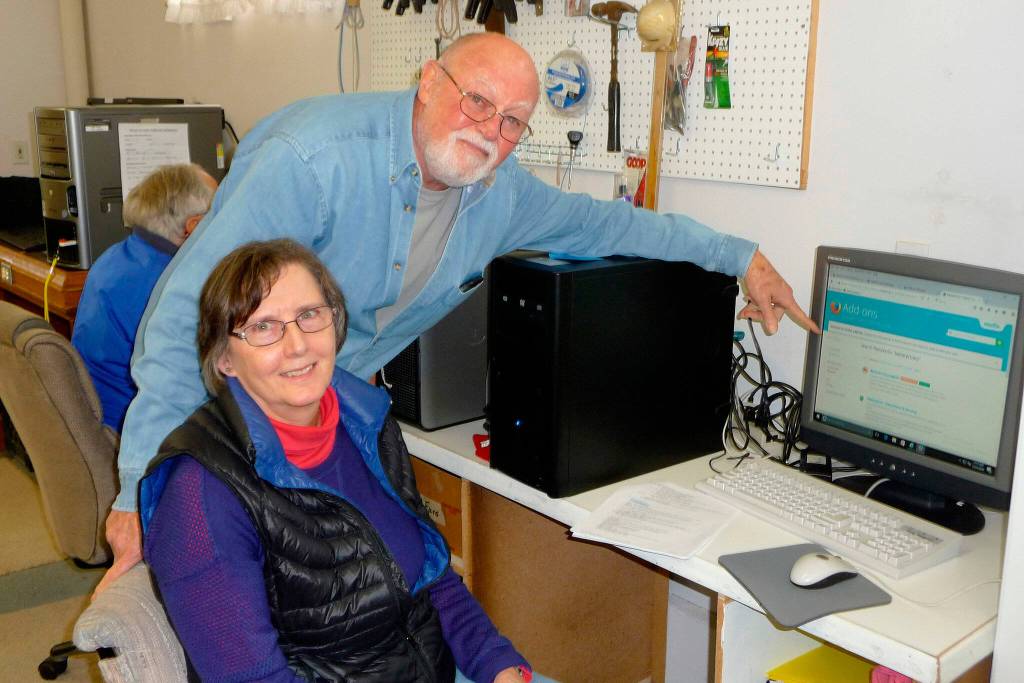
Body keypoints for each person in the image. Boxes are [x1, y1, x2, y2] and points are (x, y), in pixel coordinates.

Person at [101, 31, 820, 594]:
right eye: (477, 101)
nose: (491, 131)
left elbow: (611, 227)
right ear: (427, 79)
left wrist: (741, 256)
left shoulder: (498, 192)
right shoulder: (311, 162)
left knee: (378, 585)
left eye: (512, 122)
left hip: (329, 418)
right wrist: (139, 489)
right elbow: (181, 323)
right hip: (231, 419)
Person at [140, 239, 543, 682]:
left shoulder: (365, 422)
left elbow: (431, 578)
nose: (296, 345)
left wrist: (498, 664)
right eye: (263, 327)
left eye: (309, 315)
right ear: (224, 360)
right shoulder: (200, 492)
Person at [71, 163, 218, 432]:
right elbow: (202, 383)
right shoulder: (172, 288)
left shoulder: (114, 257)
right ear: (194, 226)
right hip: (138, 433)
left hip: (97, 420)